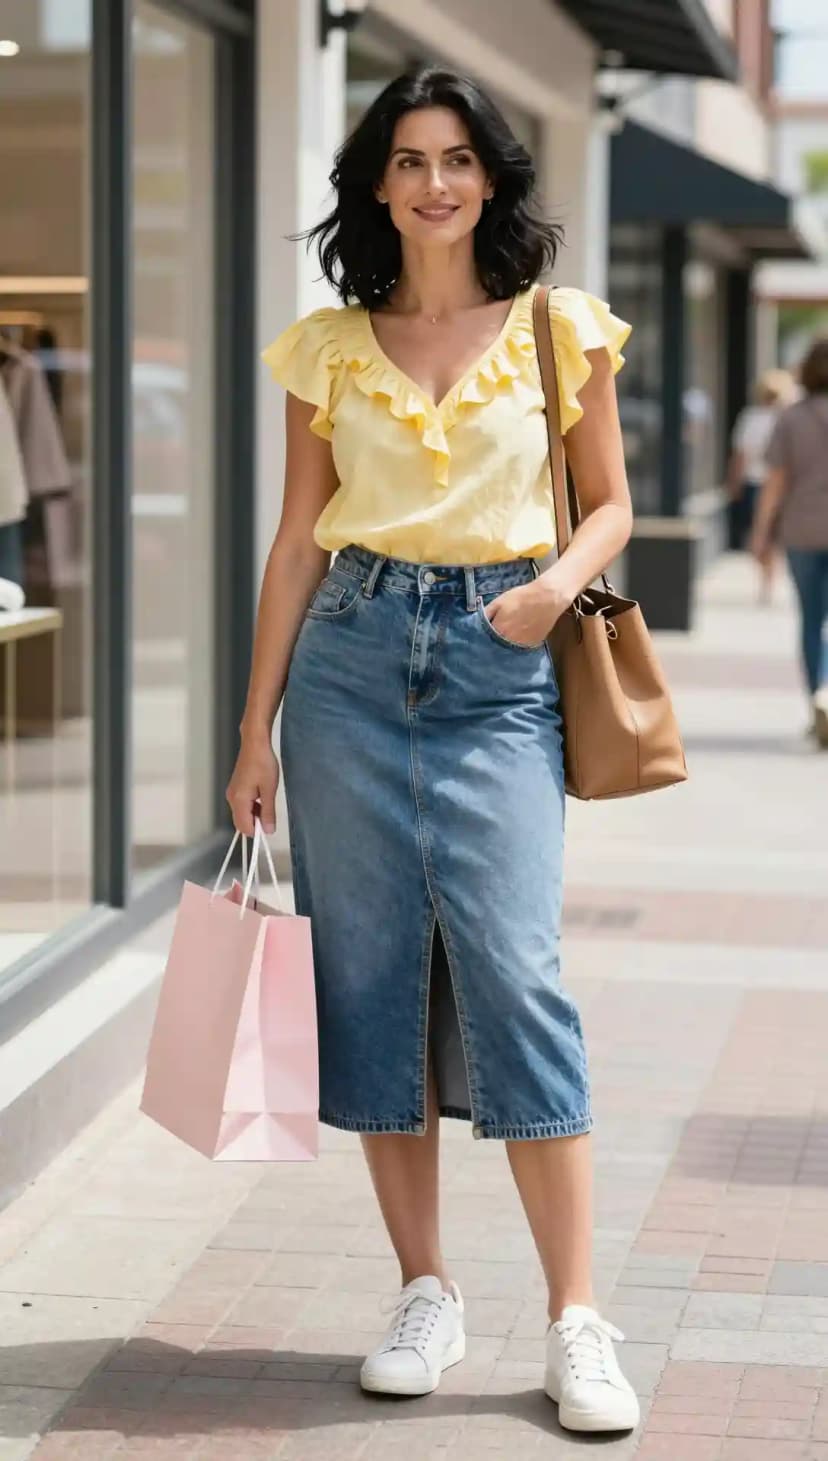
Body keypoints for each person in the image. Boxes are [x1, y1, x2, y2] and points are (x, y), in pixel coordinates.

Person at [226, 66, 638, 1433]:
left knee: (518, 974)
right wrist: (253, 730)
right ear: (377, 185)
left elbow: (615, 506)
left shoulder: (556, 327)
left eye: (459, 159)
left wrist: (546, 593)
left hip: (500, 664)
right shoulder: (328, 344)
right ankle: (426, 1289)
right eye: (408, 161)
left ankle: (579, 1318)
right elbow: (296, 540)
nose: (436, 184)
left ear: (494, 177)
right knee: (376, 978)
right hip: (345, 666)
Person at [752, 340, 828, 747]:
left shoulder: (792, 418)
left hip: (802, 530)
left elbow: (775, 481)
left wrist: (761, 532)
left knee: (811, 618)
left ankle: (818, 694)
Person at [727, 368, 796, 602]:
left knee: (760, 534)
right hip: (771, 484)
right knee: (769, 537)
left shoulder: (757, 418)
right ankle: (768, 576)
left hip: (759, 483)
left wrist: (734, 481)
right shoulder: (782, 418)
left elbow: (740, 454)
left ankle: (767, 577)